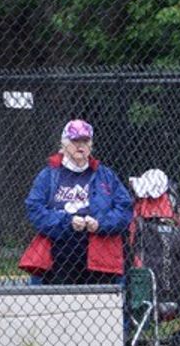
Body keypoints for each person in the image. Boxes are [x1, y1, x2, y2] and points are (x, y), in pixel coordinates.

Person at [18, 119, 133, 285]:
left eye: (85, 141)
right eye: (75, 141)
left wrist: (100, 223)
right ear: (63, 144)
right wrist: (67, 221)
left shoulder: (105, 175)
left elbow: (125, 208)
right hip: (59, 252)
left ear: (91, 145)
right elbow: (34, 209)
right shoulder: (49, 175)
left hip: (99, 253)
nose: (80, 146)